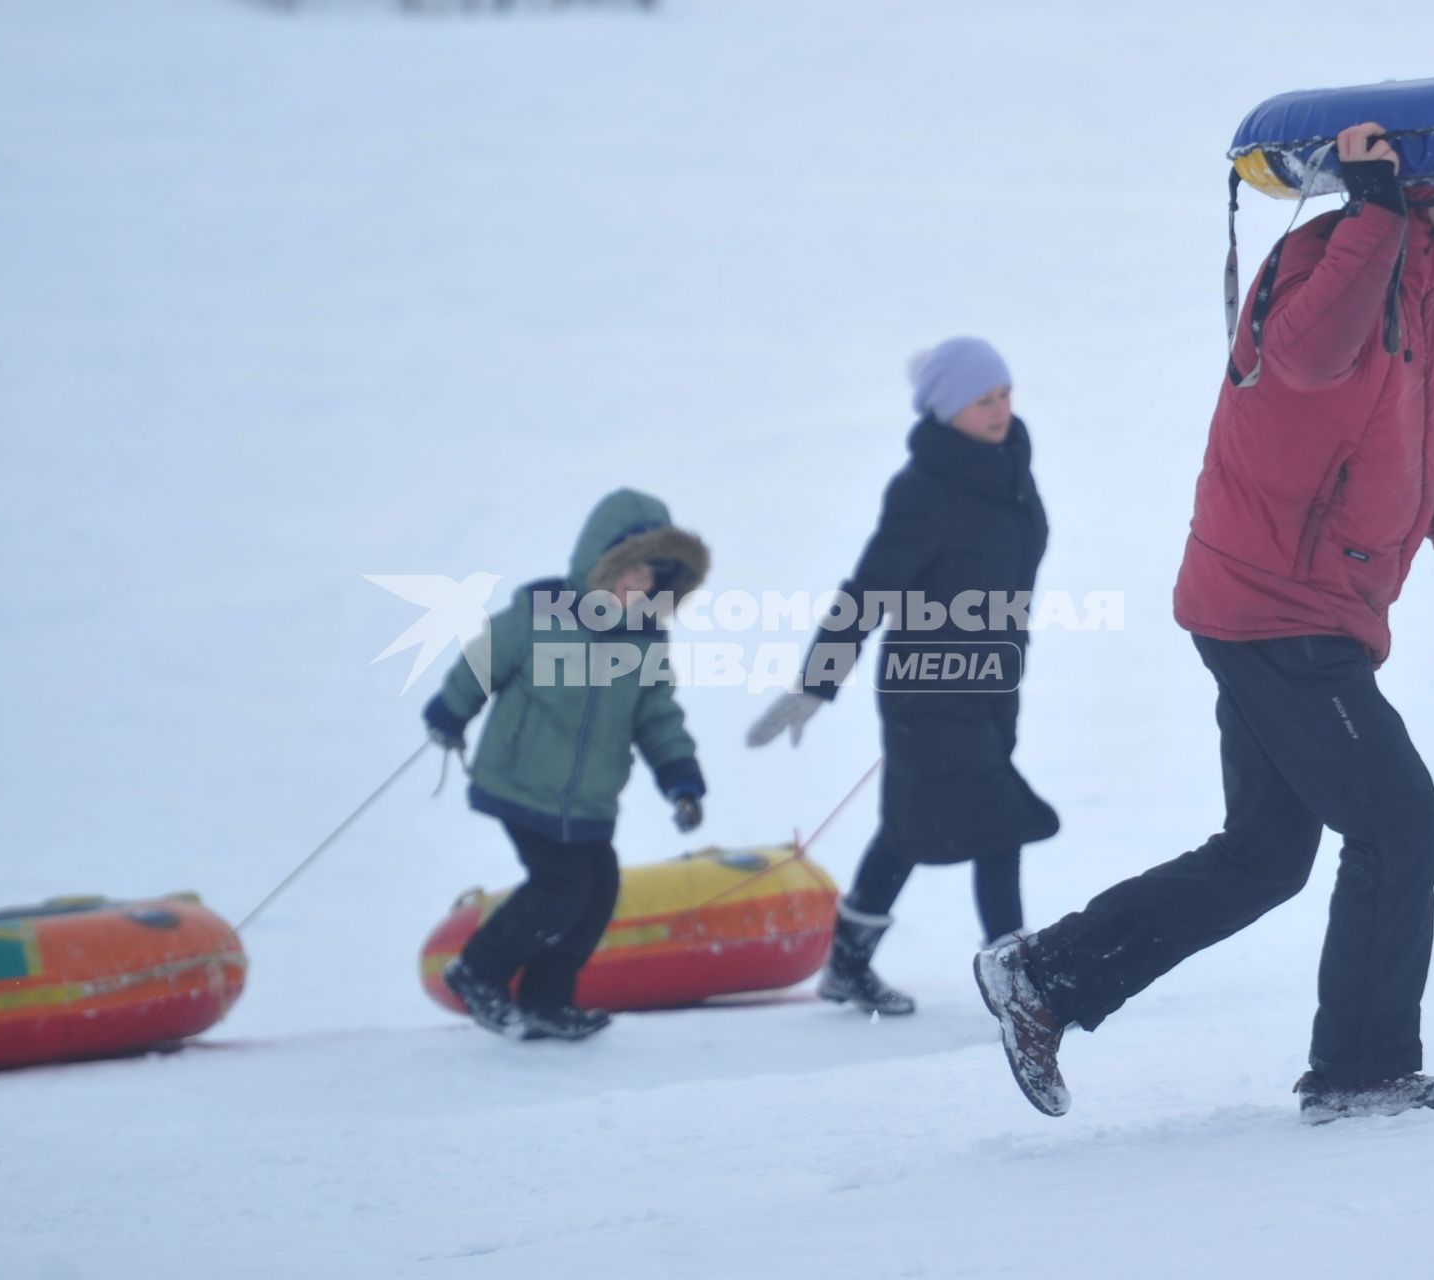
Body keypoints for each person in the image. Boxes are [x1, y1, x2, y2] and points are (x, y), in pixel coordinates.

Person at [974, 123, 1434, 1122]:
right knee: (1399, 826)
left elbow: (1432, 443)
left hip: (1302, 605)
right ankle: (1360, 1071)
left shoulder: (1425, 292)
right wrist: (1369, 208)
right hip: (1276, 607)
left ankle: (1045, 977)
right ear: (1427, 184)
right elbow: (1310, 360)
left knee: (1267, 853)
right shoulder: (1328, 262)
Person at [749, 337, 1059, 1015]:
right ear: (947, 409)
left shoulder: (1010, 465)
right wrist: (816, 681)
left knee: (910, 829)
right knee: (995, 821)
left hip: (992, 682)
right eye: (984, 400)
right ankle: (1019, 979)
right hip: (929, 685)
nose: (1001, 408)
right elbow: (869, 591)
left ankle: (846, 967)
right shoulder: (924, 490)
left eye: (1005, 393)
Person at [426, 489, 711, 1041]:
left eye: (655, 578)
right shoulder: (543, 613)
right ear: (602, 563)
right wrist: (451, 710)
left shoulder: (645, 642)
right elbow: (485, 658)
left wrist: (680, 777)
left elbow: (657, 716)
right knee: (559, 887)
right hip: (521, 780)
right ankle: (478, 971)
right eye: (632, 572)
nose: (643, 586)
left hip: (587, 799)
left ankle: (545, 1000)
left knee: (597, 892)